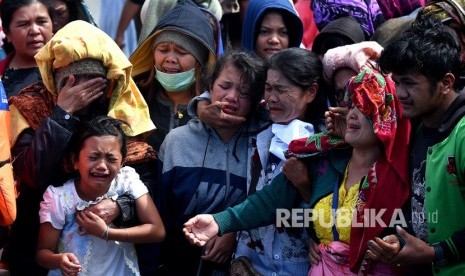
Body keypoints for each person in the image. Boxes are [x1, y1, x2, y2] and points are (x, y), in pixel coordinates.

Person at [184, 65, 412, 275]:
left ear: (385, 117)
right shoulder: (323, 157)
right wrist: (219, 222)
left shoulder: (400, 173)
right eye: (350, 104)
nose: (351, 114)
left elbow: (418, 229)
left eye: (364, 107)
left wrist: (399, 246)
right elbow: (269, 201)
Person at [6, 20, 155, 275]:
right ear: (56, 82)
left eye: (92, 83)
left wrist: (122, 206)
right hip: (41, 248)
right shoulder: (30, 105)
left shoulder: (121, 106)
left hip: (109, 254)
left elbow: (146, 175)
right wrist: (62, 114)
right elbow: (31, 174)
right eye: (74, 82)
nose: (83, 94)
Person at [187, 47, 326, 275]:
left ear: (311, 92)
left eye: (281, 90)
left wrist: (304, 188)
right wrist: (202, 108)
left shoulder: (322, 147)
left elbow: (278, 204)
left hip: (296, 266)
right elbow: (230, 92)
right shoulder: (260, 128)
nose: (271, 98)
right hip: (248, 262)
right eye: (268, 88)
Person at [368, 17, 465, 275]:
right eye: (397, 82)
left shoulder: (462, 135)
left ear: (446, 82)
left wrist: (436, 253)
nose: (399, 93)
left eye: (409, 83)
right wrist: (399, 241)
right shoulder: (417, 126)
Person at [156, 51, 266, 275]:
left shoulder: (262, 146)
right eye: (225, 86)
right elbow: (159, 215)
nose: (232, 97)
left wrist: (232, 232)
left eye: (244, 92)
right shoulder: (176, 142)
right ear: (210, 87)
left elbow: (265, 207)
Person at [36, 116, 165, 275]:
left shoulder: (127, 181)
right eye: (93, 157)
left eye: (111, 159)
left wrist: (107, 233)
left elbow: (157, 231)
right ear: (75, 160)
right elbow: (43, 253)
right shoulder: (60, 199)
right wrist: (58, 260)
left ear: (122, 162)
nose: (102, 166)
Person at [129, 0, 217, 152]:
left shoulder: (213, 108)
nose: (170, 58)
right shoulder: (134, 101)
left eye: (182, 52)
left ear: (200, 61)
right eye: (163, 50)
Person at [0, 0, 53, 98]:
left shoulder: (71, 67)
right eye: (23, 24)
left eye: (41, 22)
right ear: (7, 33)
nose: (35, 31)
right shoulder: (2, 74)